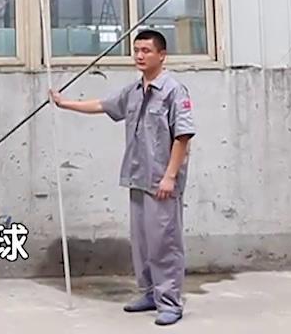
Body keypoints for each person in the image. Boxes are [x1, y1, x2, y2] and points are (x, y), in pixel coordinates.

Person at [50, 29, 196, 326]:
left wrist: (170, 176)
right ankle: (149, 293)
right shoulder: (134, 91)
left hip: (161, 182)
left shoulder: (174, 91)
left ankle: (170, 302)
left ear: (162, 55)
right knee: (142, 243)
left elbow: (183, 136)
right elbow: (103, 105)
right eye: (136, 50)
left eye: (146, 51)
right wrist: (65, 103)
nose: (139, 56)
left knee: (164, 243)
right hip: (138, 178)